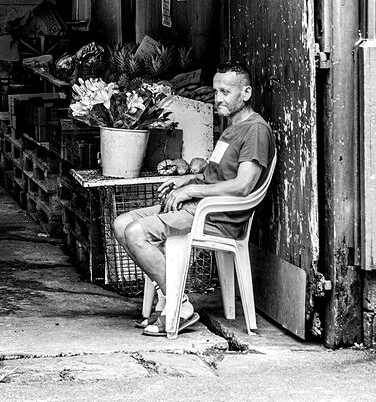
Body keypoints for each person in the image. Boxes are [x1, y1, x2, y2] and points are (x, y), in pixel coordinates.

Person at [112, 61, 275, 336]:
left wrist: (191, 191)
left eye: (226, 92)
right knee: (120, 224)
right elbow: (216, 176)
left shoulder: (255, 130)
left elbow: (243, 186)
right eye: (216, 91)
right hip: (195, 207)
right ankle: (169, 299)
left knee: (136, 233)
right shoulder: (231, 128)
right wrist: (185, 180)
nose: (218, 98)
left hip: (215, 217)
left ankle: (180, 306)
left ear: (246, 93)